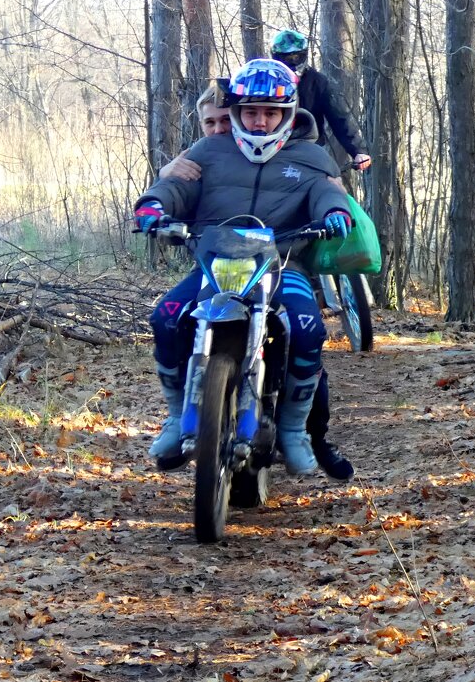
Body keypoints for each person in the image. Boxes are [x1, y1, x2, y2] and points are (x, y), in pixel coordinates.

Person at [134, 58, 353, 476]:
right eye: (251, 111)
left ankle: (293, 430)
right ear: (236, 112)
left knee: (308, 329)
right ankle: (178, 416)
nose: (259, 121)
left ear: (287, 114)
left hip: (282, 264)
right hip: (216, 264)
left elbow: (327, 195)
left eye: (270, 112)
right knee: (163, 318)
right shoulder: (209, 150)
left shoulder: (311, 157)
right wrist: (154, 205)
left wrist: (334, 214)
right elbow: (178, 185)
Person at [271, 29, 372, 171]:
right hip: (271, 149)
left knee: (329, 183)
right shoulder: (266, 81)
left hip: (309, 149)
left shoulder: (317, 82)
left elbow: (339, 117)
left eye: (297, 57)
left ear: (304, 55)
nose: (293, 62)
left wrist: (358, 151)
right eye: (287, 58)